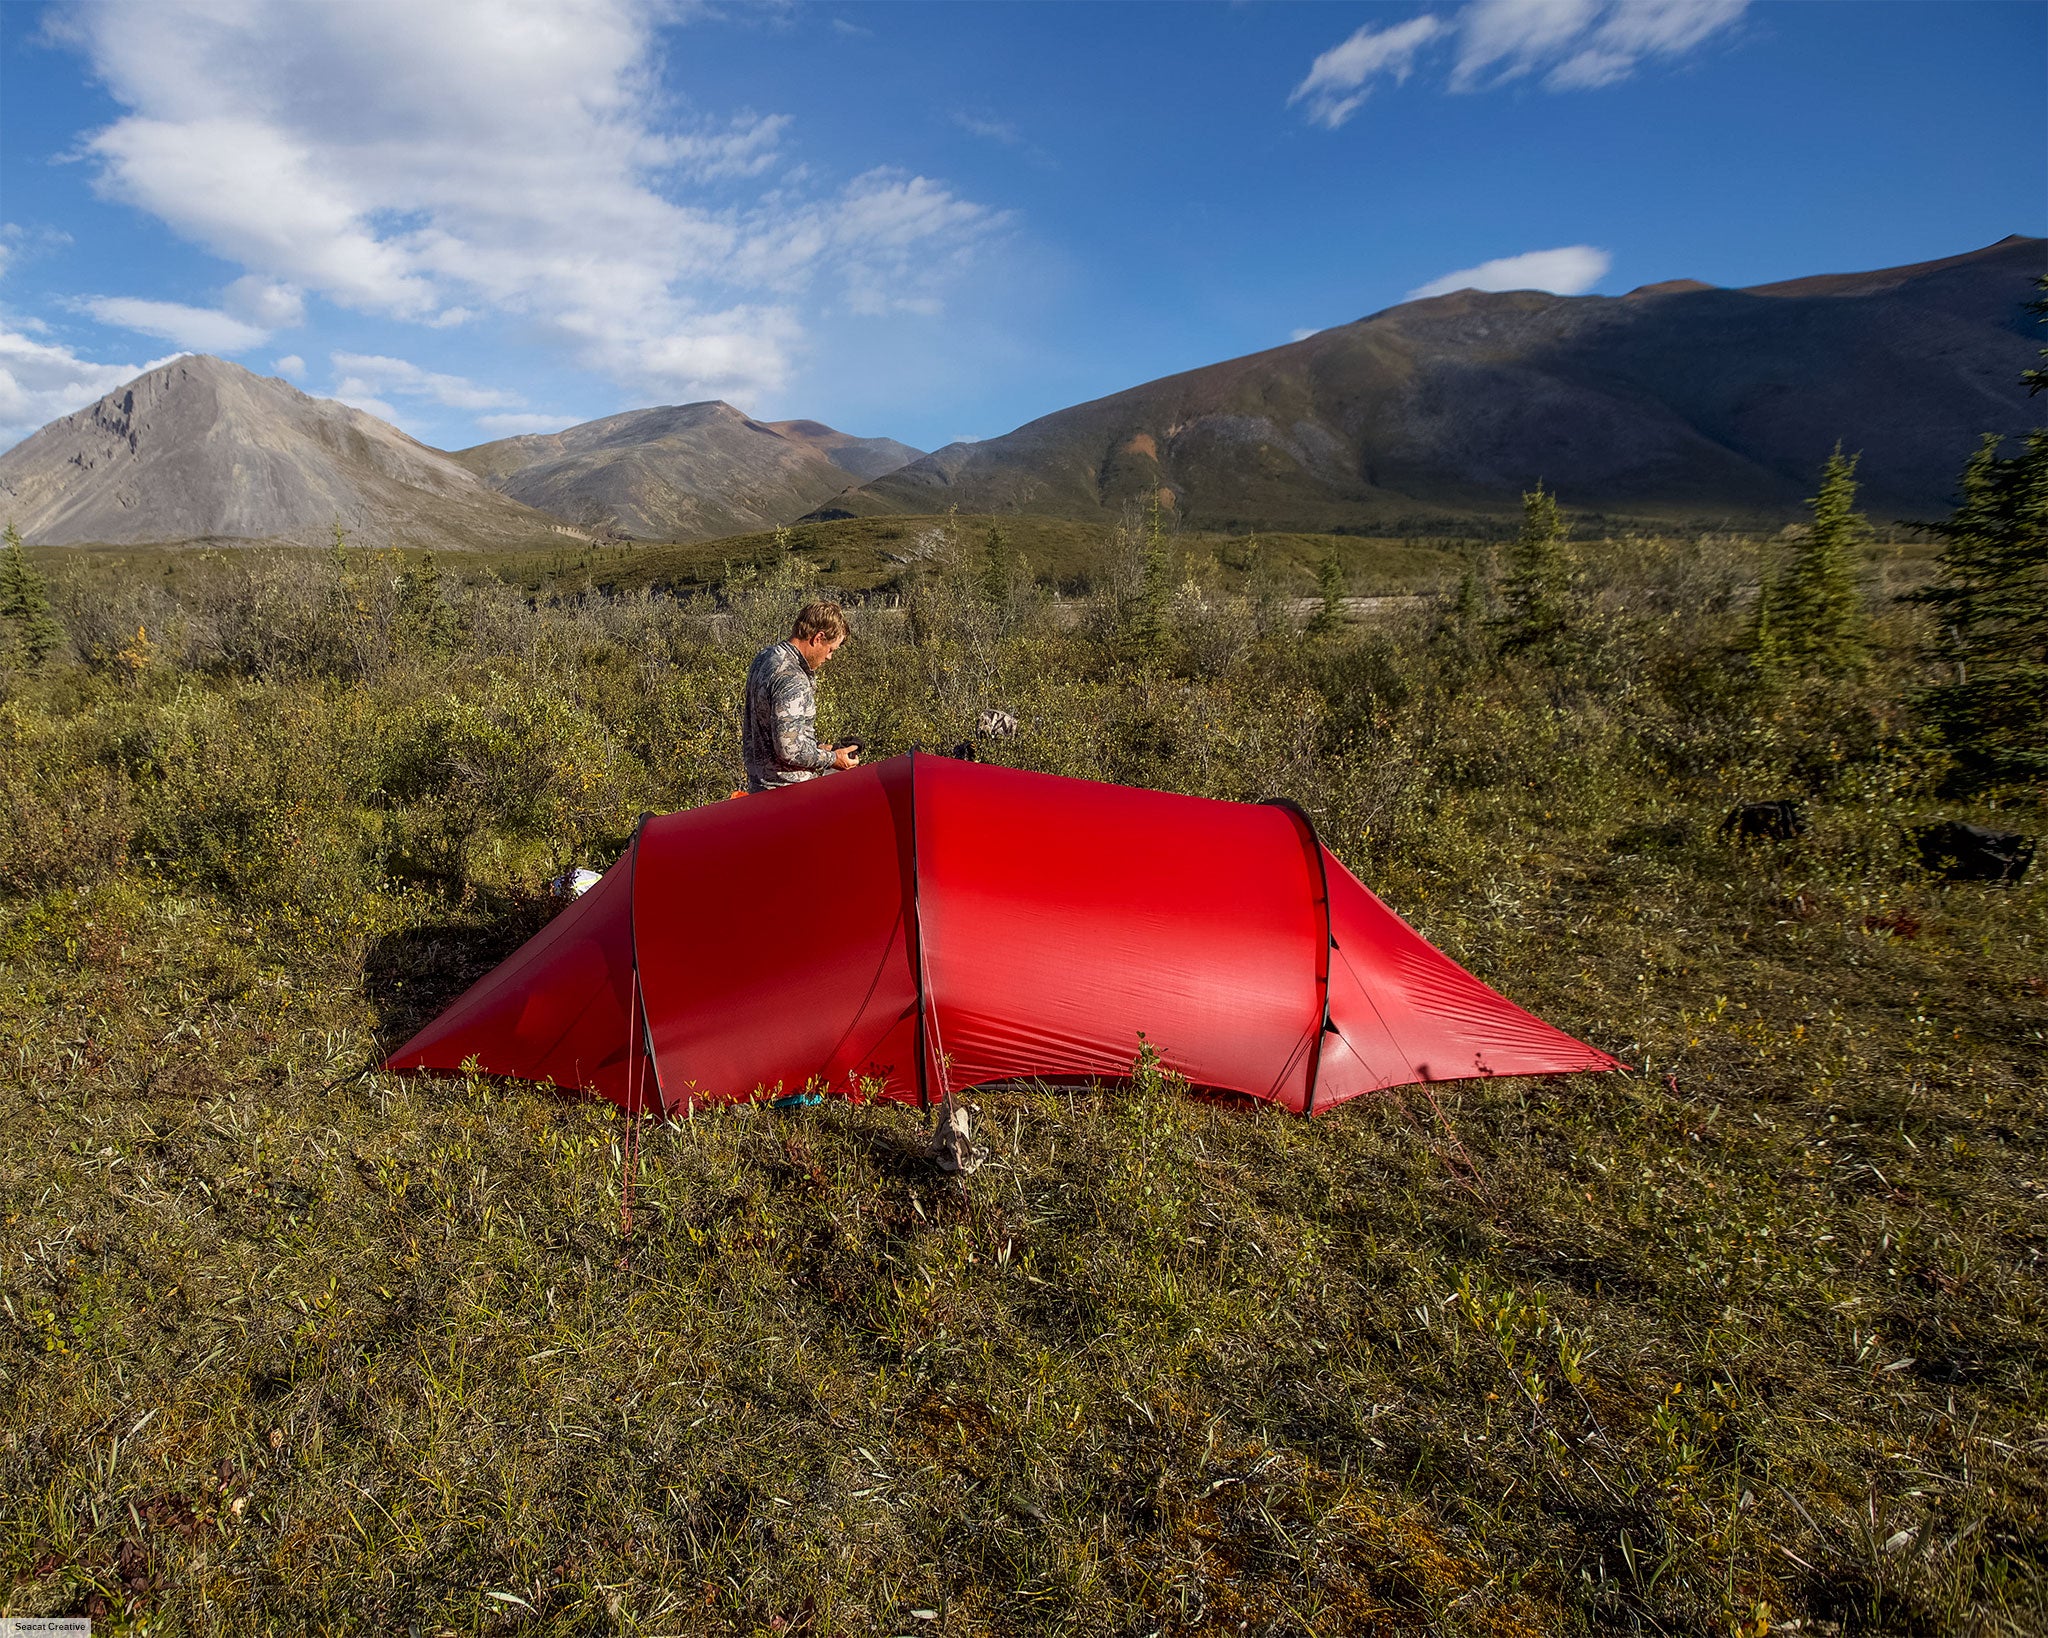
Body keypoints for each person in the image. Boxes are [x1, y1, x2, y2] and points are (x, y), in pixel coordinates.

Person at [742, 601, 861, 792]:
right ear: (818, 638)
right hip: (787, 793)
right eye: (831, 649)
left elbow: (773, 735)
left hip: (759, 787)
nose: (829, 657)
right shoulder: (793, 678)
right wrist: (833, 759)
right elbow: (789, 750)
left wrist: (822, 749)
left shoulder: (765, 658)